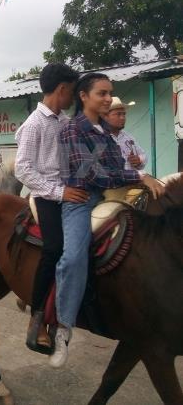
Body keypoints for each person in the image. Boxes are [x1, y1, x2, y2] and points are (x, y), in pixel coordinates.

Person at [51, 73, 165, 368]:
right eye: (102, 93)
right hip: (82, 200)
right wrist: (139, 175)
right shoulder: (72, 130)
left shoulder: (106, 131)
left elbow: (116, 167)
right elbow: (91, 174)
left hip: (117, 194)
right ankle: (62, 329)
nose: (107, 99)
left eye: (109, 93)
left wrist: (139, 179)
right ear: (83, 97)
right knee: (73, 257)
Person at [15, 63, 85, 353]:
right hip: (46, 194)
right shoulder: (35, 124)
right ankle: (37, 318)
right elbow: (23, 169)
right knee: (54, 248)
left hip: (69, 190)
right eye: (73, 92)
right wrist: (59, 192)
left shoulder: (65, 120)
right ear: (62, 89)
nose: (74, 99)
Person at [103, 97, 147, 171]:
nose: (123, 118)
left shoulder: (128, 138)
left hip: (132, 181)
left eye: (124, 114)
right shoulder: (99, 138)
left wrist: (139, 159)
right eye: (118, 114)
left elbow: (143, 155)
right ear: (106, 117)